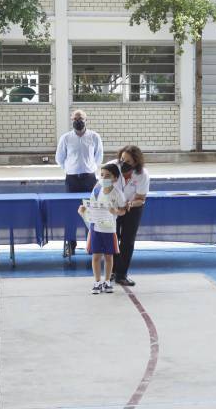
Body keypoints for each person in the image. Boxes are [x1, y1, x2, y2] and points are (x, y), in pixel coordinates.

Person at [55, 109, 104, 255]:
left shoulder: (94, 137)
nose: (78, 121)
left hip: (90, 179)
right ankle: (70, 246)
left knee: (91, 211)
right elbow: (60, 158)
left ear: (86, 119)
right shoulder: (65, 138)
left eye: (81, 118)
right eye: (75, 118)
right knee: (71, 212)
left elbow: (99, 156)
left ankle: (92, 244)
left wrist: (90, 168)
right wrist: (70, 169)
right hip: (72, 179)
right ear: (71, 120)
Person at [78, 164, 126, 294]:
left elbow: (123, 211)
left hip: (109, 230)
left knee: (109, 257)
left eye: (108, 175)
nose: (104, 178)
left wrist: (116, 210)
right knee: (96, 256)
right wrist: (83, 210)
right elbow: (91, 206)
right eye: (102, 175)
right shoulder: (96, 190)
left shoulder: (118, 194)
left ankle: (107, 281)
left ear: (115, 178)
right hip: (95, 228)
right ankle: (97, 282)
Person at [110, 145, 150, 286]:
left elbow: (141, 199)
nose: (123, 163)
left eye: (128, 162)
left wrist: (129, 205)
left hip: (133, 207)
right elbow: (103, 188)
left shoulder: (142, 175)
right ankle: (111, 271)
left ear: (136, 163)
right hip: (113, 207)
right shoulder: (112, 167)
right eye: (122, 159)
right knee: (112, 238)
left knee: (127, 240)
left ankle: (121, 275)